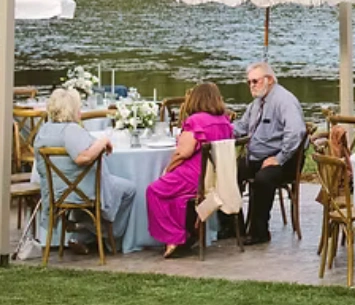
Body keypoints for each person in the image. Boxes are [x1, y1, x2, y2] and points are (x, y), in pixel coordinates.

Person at [33, 85, 137, 252]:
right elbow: (83, 157)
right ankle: (108, 237)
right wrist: (103, 141)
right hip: (80, 191)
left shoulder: (44, 130)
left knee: (96, 185)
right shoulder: (71, 130)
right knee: (129, 189)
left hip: (56, 192)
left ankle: (81, 233)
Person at [146, 81, 234, 258]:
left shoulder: (196, 121)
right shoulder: (224, 121)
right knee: (176, 196)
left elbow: (183, 152)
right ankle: (186, 235)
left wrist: (168, 168)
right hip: (217, 177)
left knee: (154, 191)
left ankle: (175, 237)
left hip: (195, 175)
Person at [233, 62, 307, 245]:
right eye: (249, 82)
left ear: (269, 80)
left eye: (255, 81)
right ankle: (233, 226)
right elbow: (242, 127)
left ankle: (259, 232)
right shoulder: (256, 103)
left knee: (263, 179)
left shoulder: (284, 101)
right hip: (257, 156)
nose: (251, 86)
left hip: (284, 159)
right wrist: (219, 130)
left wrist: (279, 158)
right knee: (227, 171)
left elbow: (296, 132)